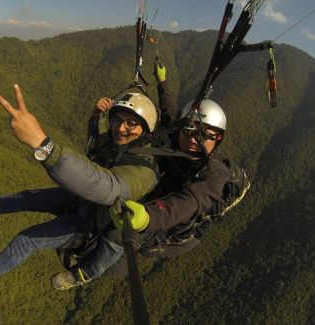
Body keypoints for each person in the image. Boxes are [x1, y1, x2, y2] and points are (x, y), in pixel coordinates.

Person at [50, 62, 250, 289]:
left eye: (206, 135)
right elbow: (169, 110)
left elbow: (187, 203)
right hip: (164, 195)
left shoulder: (215, 175)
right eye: (190, 131)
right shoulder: (178, 138)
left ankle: (82, 275)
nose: (195, 139)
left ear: (219, 140)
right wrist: (162, 80)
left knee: (121, 232)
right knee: (119, 203)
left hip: (178, 229)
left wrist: (148, 217)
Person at [0, 84, 159, 291]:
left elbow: (108, 187)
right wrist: (97, 115)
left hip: (89, 224)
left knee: (25, 240)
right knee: (28, 197)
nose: (121, 128)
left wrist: (43, 145)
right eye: (117, 121)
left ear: (146, 129)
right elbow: (94, 143)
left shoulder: (144, 169)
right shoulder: (115, 143)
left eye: (131, 124)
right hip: (80, 200)